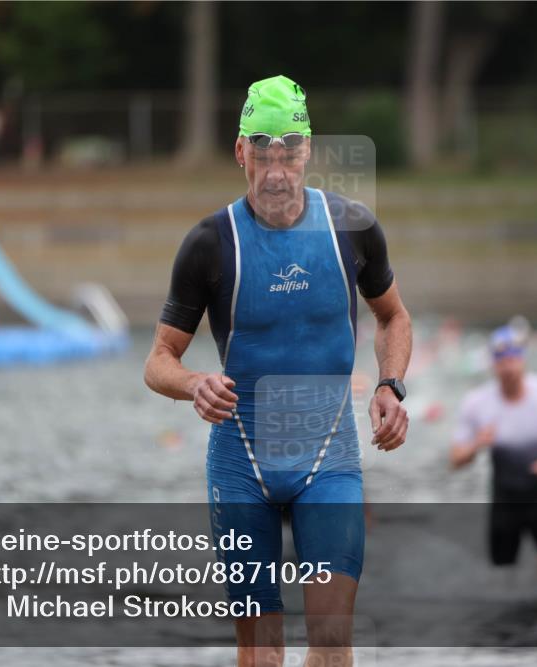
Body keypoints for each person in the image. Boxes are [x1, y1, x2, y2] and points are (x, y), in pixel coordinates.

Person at [144, 75, 412, 667]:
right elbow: (158, 361)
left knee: (333, 639)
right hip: (241, 462)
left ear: (308, 149)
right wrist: (194, 384)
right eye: (261, 153)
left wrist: (391, 386)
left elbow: (393, 318)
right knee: (263, 651)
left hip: (329, 459)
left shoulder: (354, 227)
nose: (275, 171)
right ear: (240, 151)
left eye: (288, 152)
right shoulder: (209, 244)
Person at [450, 324, 537, 580]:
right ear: (492, 365)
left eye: (513, 360)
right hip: (505, 501)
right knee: (502, 581)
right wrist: (477, 444)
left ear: (523, 359)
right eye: (502, 362)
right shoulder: (477, 403)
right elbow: (455, 460)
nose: (508, 368)